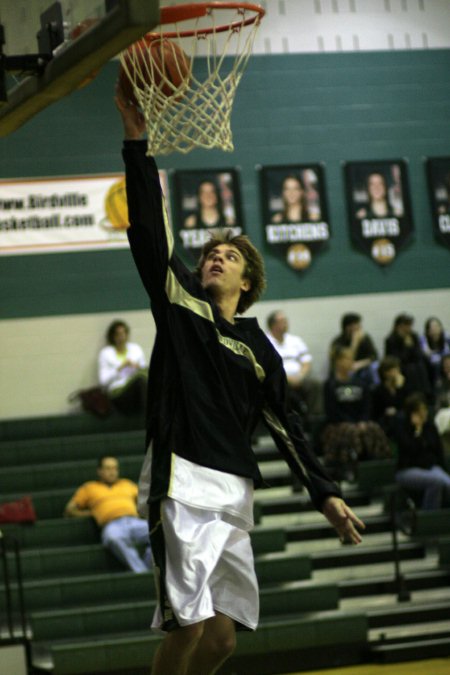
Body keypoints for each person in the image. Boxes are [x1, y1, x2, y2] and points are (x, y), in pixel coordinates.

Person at [115, 90, 365, 675]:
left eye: (229, 256)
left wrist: (323, 492)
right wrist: (136, 142)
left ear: (249, 280)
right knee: (189, 625)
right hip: (180, 476)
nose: (216, 259)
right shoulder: (181, 308)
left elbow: (288, 426)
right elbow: (152, 231)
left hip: (232, 487)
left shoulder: (260, 350)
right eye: (211, 254)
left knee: (223, 640)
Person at [64, 456, 152, 573]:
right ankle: (142, 572)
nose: (112, 472)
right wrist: (91, 513)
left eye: (115, 468)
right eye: (108, 468)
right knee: (112, 537)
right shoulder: (89, 488)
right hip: (112, 525)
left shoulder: (127, 484)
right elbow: (70, 509)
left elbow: (145, 503)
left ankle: (149, 566)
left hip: (134, 521)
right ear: (99, 471)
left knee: (161, 531)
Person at [322, 347, 391, 481]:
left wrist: (363, 421)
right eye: (347, 359)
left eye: (351, 359)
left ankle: (378, 466)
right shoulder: (330, 385)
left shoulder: (360, 383)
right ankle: (349, 469)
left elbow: (367, 406)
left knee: (374, 429)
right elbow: (332, 411)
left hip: (359, 422)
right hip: (339, 424)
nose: (351, 362)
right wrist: (351, 423)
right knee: (351, 432)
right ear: (338, 362)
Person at [395, 393, 450, 510]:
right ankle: (428, 518)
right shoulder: (403, 428)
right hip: (407, 469)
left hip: (430, 467)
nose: (424, 413)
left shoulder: (430, 427)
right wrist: (417, 431)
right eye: (420, 411)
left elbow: (438, 451)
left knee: (447, 483)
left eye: (424, 410)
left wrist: (443, 469)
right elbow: (409, 451)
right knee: (436, 482)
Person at [265, 310, 323, 418]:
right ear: (273, 325)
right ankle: (284, 419)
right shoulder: (265, 342)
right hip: (279, 380)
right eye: (283, 321)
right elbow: (268, 367)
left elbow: (306, 360)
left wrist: (301, 376)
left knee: (315, 384)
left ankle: (313, 421)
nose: (286, 324)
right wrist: (288, 378)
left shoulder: (295, 340)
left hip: (299, 378)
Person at [98, 319, 147, 415]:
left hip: (136, 391)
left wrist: (137, 367)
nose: (121, 337)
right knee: (140, 382)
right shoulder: (106, 354)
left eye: (123, 333)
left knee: (144, 381)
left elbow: (144, 370)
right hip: (118, 393)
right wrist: (119, 368)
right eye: (118, 334)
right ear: (113, 337)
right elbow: (103, 381)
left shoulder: (136, 349)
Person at [384, 313, 432, 402]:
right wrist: (406, 347)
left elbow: (419, 355)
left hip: (414, 364)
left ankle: (425, 393)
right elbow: (395, 359)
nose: (409, 328)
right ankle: (413, 394)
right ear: (399, 326)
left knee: (421, 365)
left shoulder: (413, 336)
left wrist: (411, 346)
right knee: (411, 369)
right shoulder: (391, 340)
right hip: (400, 365)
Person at [330, 313, 378, 382]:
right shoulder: (338, 341)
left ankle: (374, 389)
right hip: (346, 367)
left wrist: (360, 364)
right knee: (350, 372)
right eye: (353, 326)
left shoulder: (365, 338)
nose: (356, 328)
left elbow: (374, 356)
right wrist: (354, 343)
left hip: (362, 366)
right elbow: (344, 359)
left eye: (358, 325)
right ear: (346, 327)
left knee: (374, 367)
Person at [372, 356, 408, 439]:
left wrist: (399, 389)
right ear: (386, 373)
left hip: (400, 417)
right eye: (395, 369)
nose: (398, 372)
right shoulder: (378, 390)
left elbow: (403, 405)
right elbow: (376, 411)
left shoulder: (402, 387)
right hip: (384, 420)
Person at [419, 316, 450, 387]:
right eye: (432, 327)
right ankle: (437, 382)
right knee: (437, 362)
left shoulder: (446, 336)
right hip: (432, 362)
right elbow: (427, 353)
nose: (435, 329)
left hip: (446, 359)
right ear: (428, 330)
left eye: (437, 326)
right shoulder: (424, 339)